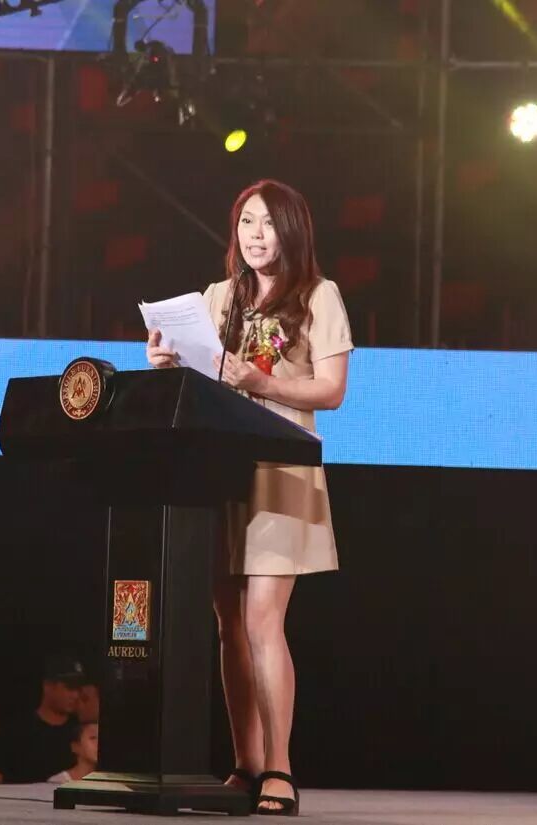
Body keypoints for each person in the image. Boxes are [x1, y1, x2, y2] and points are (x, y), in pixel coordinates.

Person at [146, 179, 353, 816]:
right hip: (220, 468)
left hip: (281, 469)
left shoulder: (318, 295)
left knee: (263, 618)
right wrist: (169, 363)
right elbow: (207, 375)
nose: (255, 236)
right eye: (245, 223)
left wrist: (262, 383)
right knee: (229, 622)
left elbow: (331, 390)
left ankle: (280, 771)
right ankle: (247, 763)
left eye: (266, 224)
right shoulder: (218, 296)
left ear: (290, 231)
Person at [0, 656, 83, 783]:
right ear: (47, 686)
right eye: (69, 688)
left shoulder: (82, 733)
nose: (75, 695)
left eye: (78, 689)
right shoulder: (16, 730)